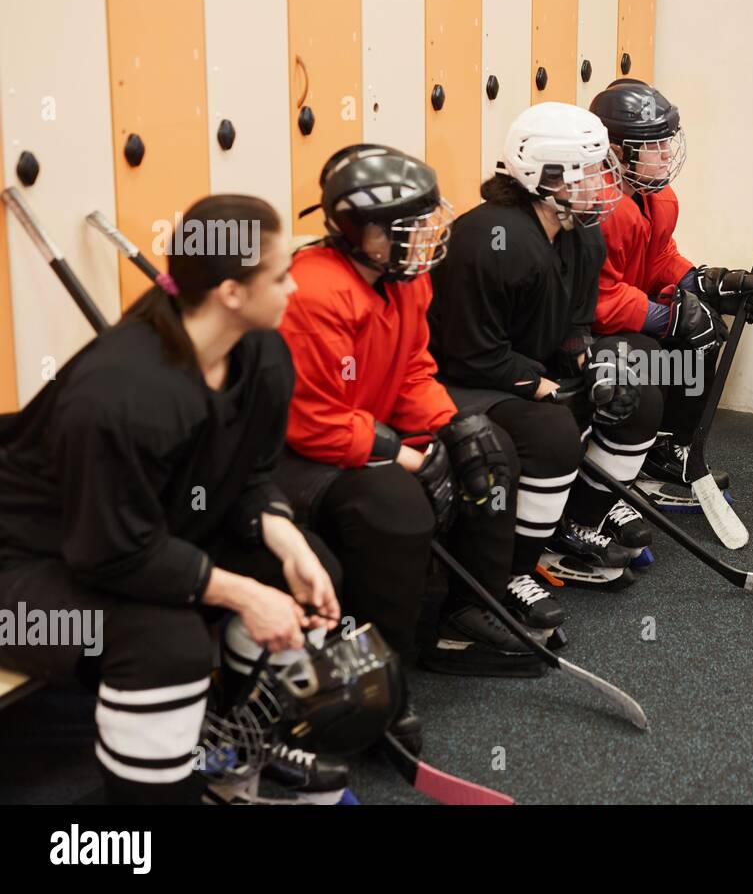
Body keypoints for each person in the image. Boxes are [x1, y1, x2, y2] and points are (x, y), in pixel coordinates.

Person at [0, 195, 342, 804]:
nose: (295, 286)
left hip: (126, 537)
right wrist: (241, 593)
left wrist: (284, 536)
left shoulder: (260, 355)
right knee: (164, 642)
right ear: (231, 292)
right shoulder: (120, 393)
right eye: (280, 275)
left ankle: (228, 757)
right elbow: (108, 554)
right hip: (24, 578)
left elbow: (248, 477)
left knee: (306, 570)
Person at [274, 144, 556, 687]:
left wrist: (452, 423)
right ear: (355, 231)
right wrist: (403, 456)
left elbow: (413, 371)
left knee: (488, 453)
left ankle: (466, 617)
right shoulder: (313, 292)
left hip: (366, 431)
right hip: (302, 454)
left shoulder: (407, 275)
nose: (419, 235)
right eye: (401, 226)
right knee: (395, 508)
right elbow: (313, 423)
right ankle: (380, 672)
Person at [429, 102, 662, 585]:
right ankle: (512, 570)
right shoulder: (489, 241)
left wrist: (588, 360)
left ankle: (572, 523)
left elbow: (575, 324)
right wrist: (545, 388)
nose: (606, 183)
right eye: (594, 171)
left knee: (634, 394)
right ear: (552, 176)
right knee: (553, 427)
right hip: (464, 379)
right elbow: (470, 354)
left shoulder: (581, 234)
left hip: (524, 366)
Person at [587, 78, 753, 510]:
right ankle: (646, 450)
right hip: (589, 334)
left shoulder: (658, 197)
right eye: (654, 146)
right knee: (682, 341)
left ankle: (668, 446)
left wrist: (706, 282)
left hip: (621, 312)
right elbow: (596, 300)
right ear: (616, 152)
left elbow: (658, 258)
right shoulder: (599, 209)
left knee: (708, 325)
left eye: (667, 141)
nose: (667, 153)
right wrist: (666, 319)